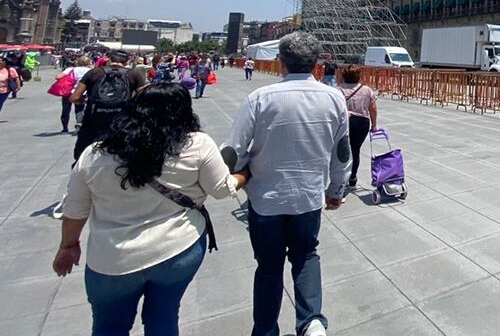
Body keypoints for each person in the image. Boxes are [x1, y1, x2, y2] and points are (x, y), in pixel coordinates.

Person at [53, 82, 248, 335]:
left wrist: (68, 245)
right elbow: (222, 190)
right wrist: (245, 175)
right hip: (177, 250)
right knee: (164, 317)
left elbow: (75, 209)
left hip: (111, 259)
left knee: (108, 326)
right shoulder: (197, 144)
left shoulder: (94, 154)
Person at [224, 32, 350, 336]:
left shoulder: (260, 98)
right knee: (306, 255)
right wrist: (336, 190)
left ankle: (266, 330)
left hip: (266, 200)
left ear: (280, 63)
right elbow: (342, 153)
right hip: (308, 198)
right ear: (317, 64)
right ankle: (311, 322)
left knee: (268, 267)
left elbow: (233, 151)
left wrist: (238, 175)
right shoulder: (333, 98)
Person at [70, 50, 147, 164]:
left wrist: (88, 101)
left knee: (83, 156)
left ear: (109, 60)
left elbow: (74, 98)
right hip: (121, 121)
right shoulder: (134, 74)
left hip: (93, 120)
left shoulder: (94, 73)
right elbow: (143, 99)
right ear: (127, 62)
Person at [336, 64, 378, 188]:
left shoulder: (338, 90)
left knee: (342, 152)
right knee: (355, 150)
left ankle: (341, 180)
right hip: (362, 123)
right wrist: (374, 125)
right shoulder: (367, 90)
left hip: (344, 122)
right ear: (359, 76)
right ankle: (353, 178)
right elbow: (373, 109)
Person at [56, 56, 93, 133]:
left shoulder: (71, 69)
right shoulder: (90, 71)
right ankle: (79, 125)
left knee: (66, 110)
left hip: (68, 92)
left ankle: (65, 128)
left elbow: (58, 77)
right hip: (81, 92)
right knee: (79, 109)